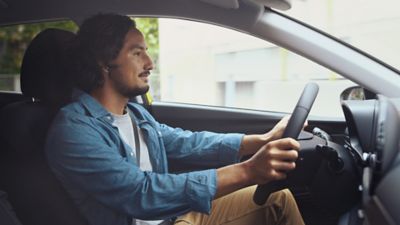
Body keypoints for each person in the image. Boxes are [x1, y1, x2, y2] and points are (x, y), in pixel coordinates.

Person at [45, 13, 305, 225]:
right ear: (103, 62)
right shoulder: (73, 131)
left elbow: (187, 142)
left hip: (170, 218)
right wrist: (248, 171)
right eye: (137, 53)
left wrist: (262, 140)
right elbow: (141, 194)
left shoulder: (136, 114)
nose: (150, 63)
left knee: (277, 197)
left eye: (146, 52)